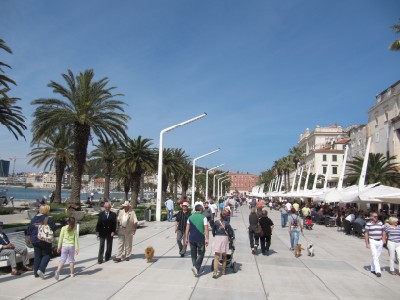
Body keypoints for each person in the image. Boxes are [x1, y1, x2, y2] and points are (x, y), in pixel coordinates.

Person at [28, 204, 56, 279]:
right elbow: (53, 229)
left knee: (37, 256)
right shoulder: (49, 219)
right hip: (44, 239)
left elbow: (29, 230)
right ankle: (41, 269)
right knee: (47, 254)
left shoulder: (34, 219)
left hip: (34, 239)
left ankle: (35, 273)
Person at [185, 204, 209, 277]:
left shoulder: (190, 217)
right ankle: (196, 267)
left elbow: (187, 228)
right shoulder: (204, 217)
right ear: (201, 209)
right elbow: (206, 229)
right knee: (201, 253)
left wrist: (186, 238)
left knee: (193, 254)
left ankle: (196, 269)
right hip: (200, 238)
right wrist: (207, 238)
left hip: (192, 238)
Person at [211, 210, 234, 279]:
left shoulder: (216, 222)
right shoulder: (227, 223)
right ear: (226, 215)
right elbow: (230, 232)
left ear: (220, 215)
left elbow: (213, 230)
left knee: (216, 256)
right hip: (224, 238)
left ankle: (215, 272)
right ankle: (223, 271)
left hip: (218, 238)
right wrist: (231, 237)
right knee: (224, 255)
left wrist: (214, 234)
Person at [364, 212, 386, 277]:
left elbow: (383, 231)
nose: (376, 217)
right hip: (372, 240)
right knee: (375, 255)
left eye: (377, 216)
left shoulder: (380, 223)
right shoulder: (368, 224)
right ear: (371, 217)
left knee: (377, 256)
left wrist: (384, 239)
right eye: (374, 216)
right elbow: (366, 234)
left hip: (379, 241)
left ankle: (372, 268)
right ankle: (378, 271)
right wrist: (367, 243)